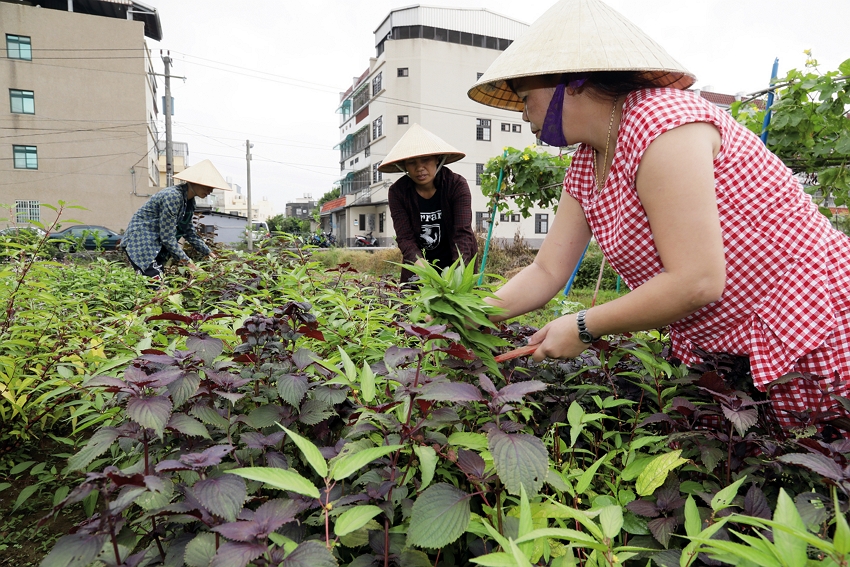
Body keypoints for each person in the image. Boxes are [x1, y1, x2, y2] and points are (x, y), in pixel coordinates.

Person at [467, 0, 850, 430]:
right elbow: (545, 269)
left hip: (803, 326)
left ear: (570, 81)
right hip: (726, 342)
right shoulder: (586, 163)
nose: (523, 114)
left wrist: (582, 325)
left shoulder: (662, 124)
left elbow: (697, 279)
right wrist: (460, 314)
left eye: (525, 99)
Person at [379, 124, 478, 283]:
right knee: (413, 304)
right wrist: (425, 272)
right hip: (420, 264)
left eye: (425, 160)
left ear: (437, 159)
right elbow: (405, 238)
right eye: (412, 162)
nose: (420, 168)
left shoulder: (456, 186)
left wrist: (457, 275)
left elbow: (462, 233)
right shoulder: (398, 192)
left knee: (457, 301)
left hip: (457, 262)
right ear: (404, 166)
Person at [121, 159, 230, 279]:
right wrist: (188, 263)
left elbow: (188, 231)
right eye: (207, 186)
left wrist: (209, 253)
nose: (210, 191)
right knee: (157, 287)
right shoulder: (172, 196)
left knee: (157, 287)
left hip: (155, 246)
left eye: (212, 187)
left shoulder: (189, 202)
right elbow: (167, 237)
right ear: (194, 182)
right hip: (142, 243)